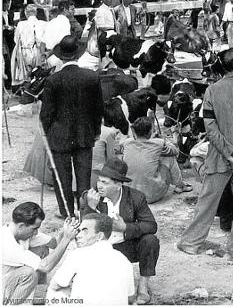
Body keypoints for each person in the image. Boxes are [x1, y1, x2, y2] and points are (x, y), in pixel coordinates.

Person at [177, 48, 233, 259]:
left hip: (219, 156)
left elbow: (210, 128)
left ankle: (191, 242)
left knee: (207, 201)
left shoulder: (212, 91)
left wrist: (228, 155)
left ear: (221, 68)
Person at [40, 35, 104, 218]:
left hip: (58, 136)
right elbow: (98, 108)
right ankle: (85, 212)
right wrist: (96, 131)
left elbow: (46, 114)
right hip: (85, 134)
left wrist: (46, 135)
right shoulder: (91, 77)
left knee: (62, 177)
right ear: (79, 55)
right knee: (84, 177)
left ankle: (67, 212)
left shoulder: (53, 80)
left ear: (61, 57)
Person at [81, 158, 159, 304]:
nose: (99, 186)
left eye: (105, 182)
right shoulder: (91, 197)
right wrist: (90, 208)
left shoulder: (135, 197)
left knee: (150, 240)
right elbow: (82, 231)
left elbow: (151, 225)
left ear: (118, 185)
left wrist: (126, 228)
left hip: (126, 246)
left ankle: (143, 286)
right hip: (102, 249)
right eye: (99, 181)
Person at [47, 213, 136, 305]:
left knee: (54, 292)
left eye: (85, 231)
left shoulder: (77, 255)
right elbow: (130, 298)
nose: (78, 236)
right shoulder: (124, 260)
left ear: (99, 236)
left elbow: (55, 285)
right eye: (79, 231)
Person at [3, 202, 79, 305]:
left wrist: (64, 231)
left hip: (13, 283)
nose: (36, 233)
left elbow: (53, 243)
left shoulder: (21, 233)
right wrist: (67, 239)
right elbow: (45, 266)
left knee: (42, 248)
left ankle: (37, 291)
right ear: (21, 226)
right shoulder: (6, 242)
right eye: (34, 229)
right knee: (29, 273)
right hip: (3, 290)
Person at [122, 117, 193, 204]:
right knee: (168, 157)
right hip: (151, 196)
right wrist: (164, 139)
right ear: (150, 132)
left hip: (130, 195)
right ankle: (180, 185)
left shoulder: (127, 142)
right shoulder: (158, 143)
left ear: (134, 131)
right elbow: (175, 151)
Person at [9, 4, 45, 87]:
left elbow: (16, 39)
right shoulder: (43, 23)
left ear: (26, 13)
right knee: (38, 74)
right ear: (36, 13)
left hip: (26, 51)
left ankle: (27, 93)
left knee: (27, 74)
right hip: (39, 51)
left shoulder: (20, 24)